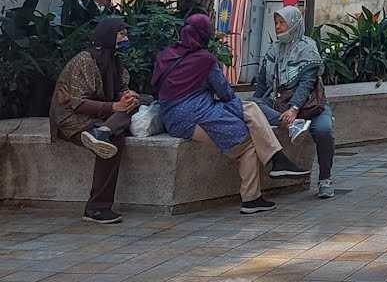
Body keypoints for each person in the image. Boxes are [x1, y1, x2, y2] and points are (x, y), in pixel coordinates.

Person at [154, 13, 307, 214]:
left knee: (251, 108)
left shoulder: (166, 55)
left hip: (171, 118)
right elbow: (225, 93)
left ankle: (277, 161)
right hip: (196, 117)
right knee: (248, 143)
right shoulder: (205, 60)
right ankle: (254, 194)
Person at [49, 18, 147, 224]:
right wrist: (114, 107)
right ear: (109, 36)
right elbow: (75, 102)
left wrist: (127, 96)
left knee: (136, 104)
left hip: (100, 118)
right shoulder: (85, 60)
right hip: (73, 119)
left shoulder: (114, 60)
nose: (125, 38)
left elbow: (119, 89)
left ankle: (103, 132)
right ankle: (96, 208)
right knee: (114, 140)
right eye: (121, 34)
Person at [252, 5, 336, 200]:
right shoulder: (273, 49)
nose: (279, 27)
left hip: (310, 107)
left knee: (324, 131)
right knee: (252, 106)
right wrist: (257, 102)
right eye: (277, 23)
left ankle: (325, 180)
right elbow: (263, 82)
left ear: (294, 24)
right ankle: (293, 125)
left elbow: (306, 84)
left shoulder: (307, 48)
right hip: (279, 106)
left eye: (283, 23)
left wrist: (294, 109)